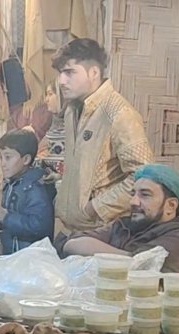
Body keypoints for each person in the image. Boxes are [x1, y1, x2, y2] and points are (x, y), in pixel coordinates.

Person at [52, 38, 153, 232]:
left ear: (94, 73)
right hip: (70, 227)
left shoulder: (119, 114)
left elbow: (144, 176)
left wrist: (96, 207)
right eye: (60, 73)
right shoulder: (72, 110)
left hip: (103, 231)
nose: (62, 81)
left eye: (70, 72)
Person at [56, 164, 179, 282]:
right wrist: (127, 258)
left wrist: (126, 259)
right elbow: (71, 242)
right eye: (133, 194)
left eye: (145, 195)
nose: (133, 201)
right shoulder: (125, 226)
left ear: (171, 205)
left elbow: (142, 268)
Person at [0, 129, 55, 255]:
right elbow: (6, 223)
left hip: (31, 259)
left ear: (26, 159)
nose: (2, 163)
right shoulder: (10, 185)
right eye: (0, 158)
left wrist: (6, 217)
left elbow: (39, 227)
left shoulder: (35, 188)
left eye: (8, 157)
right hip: (12, 256)